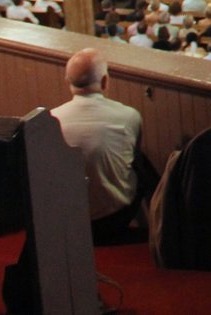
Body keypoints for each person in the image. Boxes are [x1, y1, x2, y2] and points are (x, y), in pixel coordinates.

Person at [50, 49, 146, 241]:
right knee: (141, 164)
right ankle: (150, 228)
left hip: (67, 221)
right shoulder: (129, 116)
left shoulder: (51, 119)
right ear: (105, 81)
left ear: (67, 82)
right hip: (113, 219)